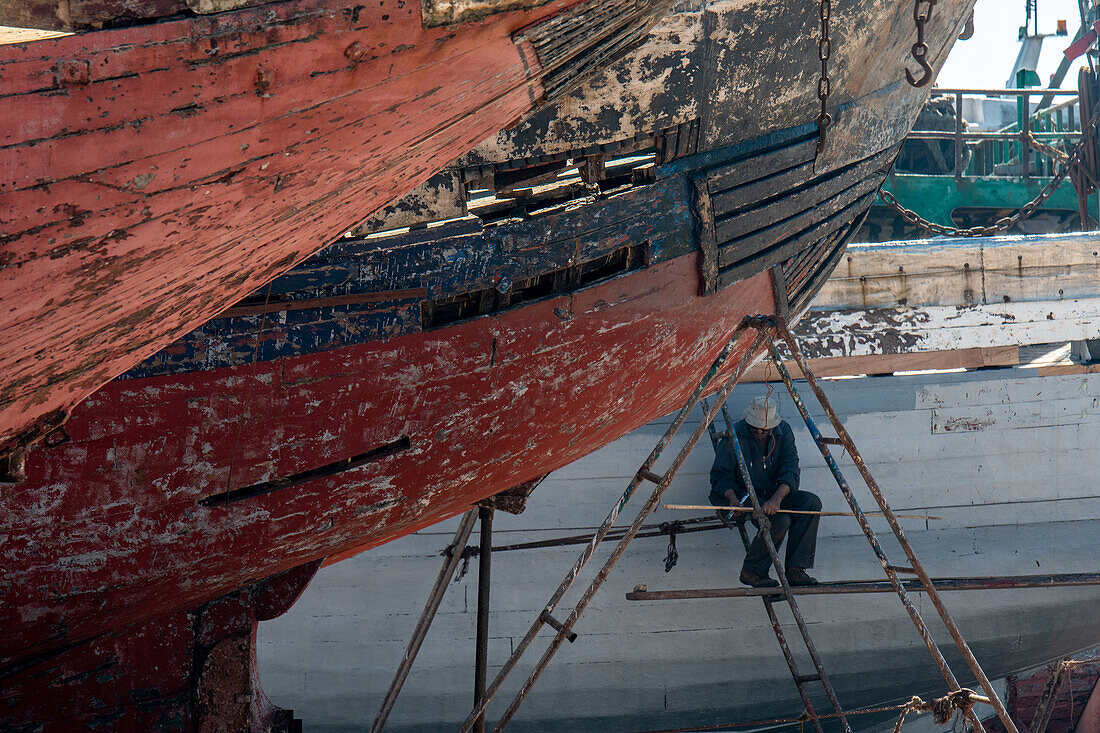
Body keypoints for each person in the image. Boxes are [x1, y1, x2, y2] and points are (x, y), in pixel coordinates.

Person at [709, 395, 821, 588]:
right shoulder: (733, 434)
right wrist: (733, 500)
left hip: (772, 493)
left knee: (810, 503)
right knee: (779, 520)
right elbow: (721, 476)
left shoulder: (783, 431)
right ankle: (752, 570)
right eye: (755, 428)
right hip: (741, 495)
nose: (759, 432)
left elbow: (791, 469)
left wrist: (776, 499)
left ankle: (795, 569)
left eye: (764, 429)